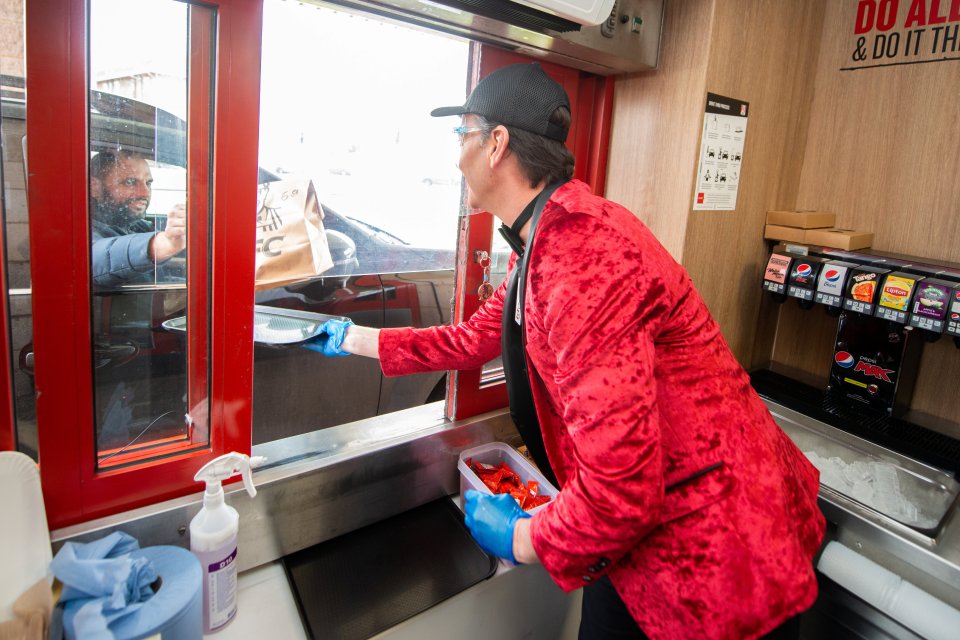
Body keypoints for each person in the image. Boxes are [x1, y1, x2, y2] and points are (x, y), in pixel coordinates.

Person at [307, 63, 825, 640]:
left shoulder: (582, 258)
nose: (456, 158)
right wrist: (355, 339)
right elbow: (474, 337)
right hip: (645, 537)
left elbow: (622, 487)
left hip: (719, 552)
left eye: (463, 136)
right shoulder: (548, 237)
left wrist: (524, 538)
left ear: (496, 144)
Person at [90, 149, 186, 288]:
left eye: (148, 183)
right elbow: (97, 257)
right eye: (130, 182)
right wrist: (164, 243)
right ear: (95, 187)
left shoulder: (137, 226)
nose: (145, 193)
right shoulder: (82, 230)